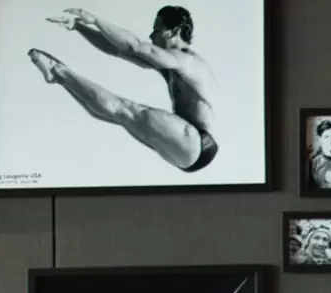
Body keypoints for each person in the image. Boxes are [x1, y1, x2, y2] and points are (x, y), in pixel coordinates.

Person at [31, 6, 220, 173]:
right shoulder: (169, 63)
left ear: (174, 31)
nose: (151, 36)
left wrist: (95, 19)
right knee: (113, 114)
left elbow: (135, 45)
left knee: (125, 108)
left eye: (157, 29)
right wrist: (78, 26)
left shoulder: (187, 61)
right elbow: (117, 49)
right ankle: (59, 76)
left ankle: (58, 71)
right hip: (186, 149)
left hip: (198, 143)